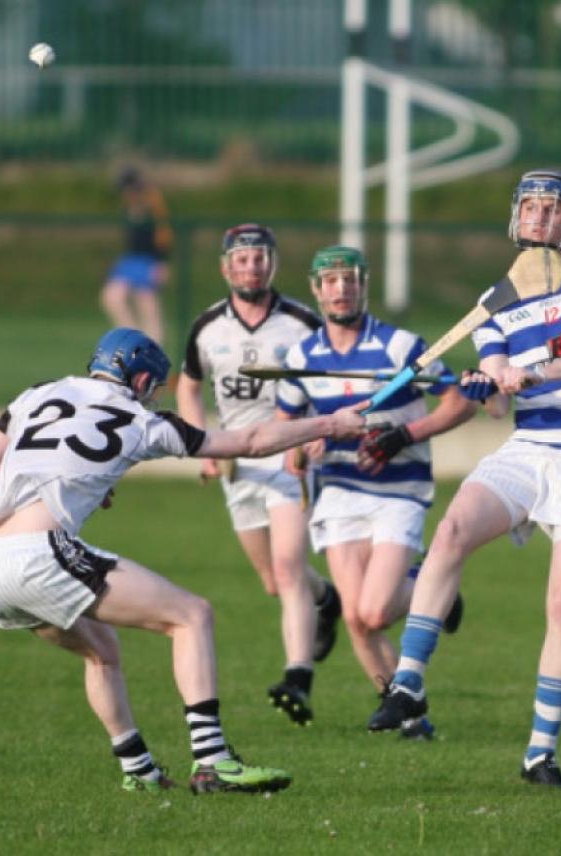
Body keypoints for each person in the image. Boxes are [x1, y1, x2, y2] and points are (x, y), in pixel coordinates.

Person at [0, 327, 366, 794]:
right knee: (192, 615)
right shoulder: (144, 422)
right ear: (140, 381)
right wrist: (330, 425)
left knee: (102, 652)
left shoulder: (38, 394)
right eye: (154, 388)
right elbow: (252, 441)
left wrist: (71, 474)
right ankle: (213, 761)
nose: (154, 397)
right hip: (40, 555)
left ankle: (140, 772)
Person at [370, 168, 561, 786]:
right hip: (530, 447)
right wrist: (483, 385)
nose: (539, 216)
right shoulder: (497, 301)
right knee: (452, 530)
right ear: (516, 217)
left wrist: (534, 371)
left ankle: (540, 752)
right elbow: (495, 399)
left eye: (551, 207)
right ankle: (408, 682)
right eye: (530, 206)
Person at [275, 245, 477, 736]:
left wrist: (403, 435)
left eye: (351, 280)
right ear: (316, 290)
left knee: (376, 610)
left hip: (398, 490)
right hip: (339, 492)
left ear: (364, 286)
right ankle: (412, 718)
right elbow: (287, 434)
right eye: (331, 281)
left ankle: (434, 585)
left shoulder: (400, 347)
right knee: (357, 621)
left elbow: (460, 403)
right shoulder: (301, 357)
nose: (341, 289)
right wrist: (304, 446)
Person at [176, 223, 342, 728]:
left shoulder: (301, 321)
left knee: (288, 567)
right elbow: (188, 386)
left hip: (289, 456)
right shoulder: (208, 326)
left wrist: (317, 433)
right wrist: (200, 444)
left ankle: (298, 678)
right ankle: (327, 599)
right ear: (226, 268)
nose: (252, 267)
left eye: (260, 258)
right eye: (242, 259)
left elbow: (331, 381)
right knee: (274, 581)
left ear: (273, 263)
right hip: (237, 460)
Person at [99, 166, 173, 345]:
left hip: (149, 260)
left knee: (148, 306)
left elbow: (164, 235)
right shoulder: (128, 207)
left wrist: (162, 263)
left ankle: (152, 349)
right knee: (111, 297)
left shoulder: (153, 204)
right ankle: (132, 339)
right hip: (131, 259)